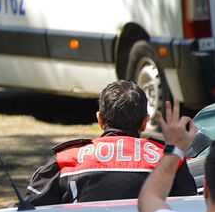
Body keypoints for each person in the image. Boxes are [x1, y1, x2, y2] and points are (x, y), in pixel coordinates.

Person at [25, 82, 196, 205]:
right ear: (145, 122)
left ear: (100, 119)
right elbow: (189, 211)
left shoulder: (66, 160)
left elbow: (28, 208)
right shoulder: (170, 160)